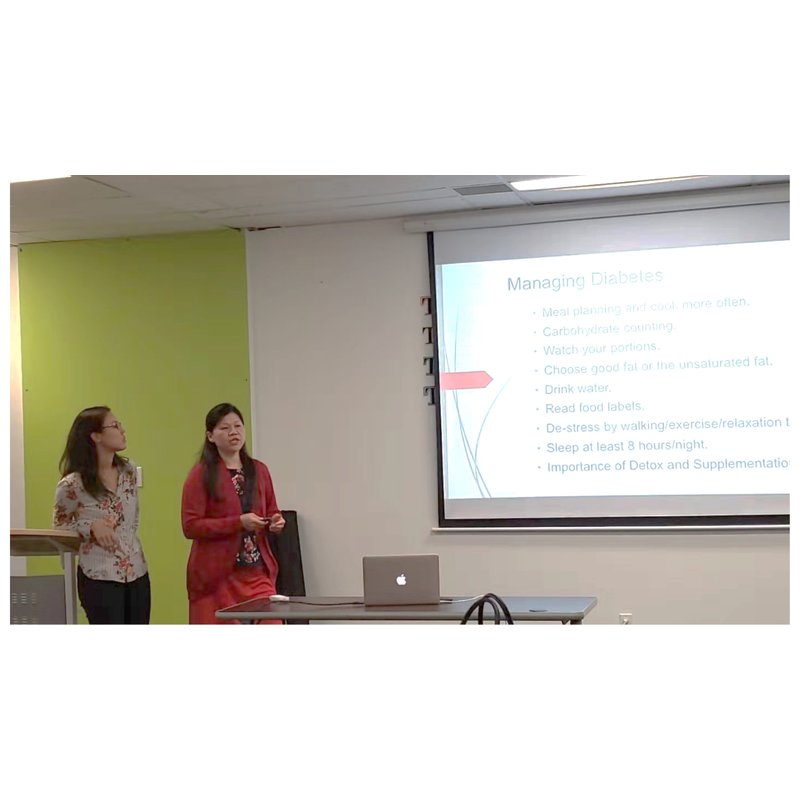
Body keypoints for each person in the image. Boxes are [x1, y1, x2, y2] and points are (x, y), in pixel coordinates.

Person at [181, 403, 285, 624]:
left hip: (256, 571)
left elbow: (272, 510)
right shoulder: (201, 474)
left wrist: (276, 521)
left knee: (273, 622)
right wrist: (238, 523)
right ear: (210, 436)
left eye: (238, 426)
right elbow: (190, 526)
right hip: (217, 575)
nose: (233, 432)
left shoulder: (259, 470)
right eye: (224, 428)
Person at [53, 406, 151, 624]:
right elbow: (60, 526)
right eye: (115, 425)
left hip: (137, 571)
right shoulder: (72, 484)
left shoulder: (129, 471)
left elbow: (133, 519)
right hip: (99, 576)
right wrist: (90, 526)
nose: (122, 430)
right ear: (95, 436)